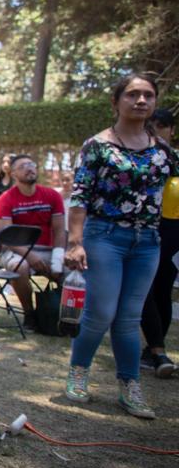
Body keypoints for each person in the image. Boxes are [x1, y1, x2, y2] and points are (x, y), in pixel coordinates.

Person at [64, 73, 175, 420]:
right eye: (132, 95)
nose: (141, 101)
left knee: (130, 318)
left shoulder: (164, 152)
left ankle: (130, 386)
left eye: (148, 95)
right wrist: (75, 242)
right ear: (116, 102)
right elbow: (80, 196)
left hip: (148, 241)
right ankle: (78, 373)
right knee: (101, 313)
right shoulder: (97, 146)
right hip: (104, 236)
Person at [0, 154, 66, 330]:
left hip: (48, 250)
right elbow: (6, 236)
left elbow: (60, 230)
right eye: (23, 166)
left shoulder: (52, 196)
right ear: (14, 174)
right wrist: (30, 256)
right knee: (20, 266)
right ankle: (29, 314)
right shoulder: (5, 199)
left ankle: (67, 319)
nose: (29, 168)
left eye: (32, 164)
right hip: (15, 250)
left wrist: (57, 262)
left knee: (74, 271)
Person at [141, 108, 178, 377]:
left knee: (162, 288)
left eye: (161, 126)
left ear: (171, 130)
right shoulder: (142, 158)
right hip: (148, 226)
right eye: (151, 126)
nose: (156, 131)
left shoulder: (172, 158)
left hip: (173, 229)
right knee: (144, 289)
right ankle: (156, 350)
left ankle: (155, 349)